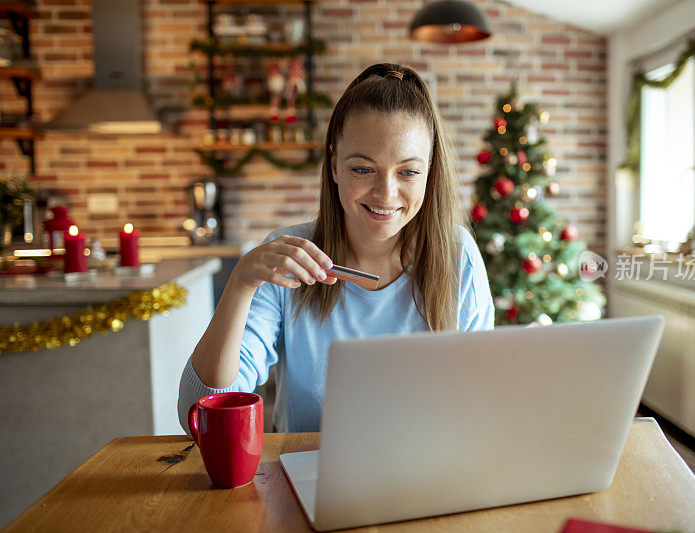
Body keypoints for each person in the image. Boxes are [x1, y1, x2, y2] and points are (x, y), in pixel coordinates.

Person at [178, 63, 494, 434]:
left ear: (430, 173)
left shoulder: (459, 256)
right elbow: (203, 413)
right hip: (308, 478)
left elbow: (480, 406)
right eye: (362, 169)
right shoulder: (286, 261)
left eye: (408, 172)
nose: (386, 193)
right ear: (333, 166)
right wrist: (240, 285)